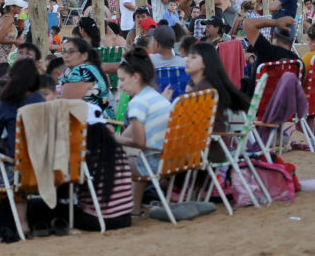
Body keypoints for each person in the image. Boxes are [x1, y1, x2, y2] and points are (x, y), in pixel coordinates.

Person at [113, 48, 172, 212]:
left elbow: (140, 143)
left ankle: (113, 208)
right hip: (171, 159)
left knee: (113, 159)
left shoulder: (137, 103)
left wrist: (116, 139)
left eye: (122, 80)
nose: (120, 85)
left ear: (136, 77)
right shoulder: (155, 96)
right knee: (135, 157)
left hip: (154, 163)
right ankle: (135, 209)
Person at [184, 42, 250, 160]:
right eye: (188, 56)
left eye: (193, 57)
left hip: (200, 155)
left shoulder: (202, 92)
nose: (187, 60)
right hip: (215, 150)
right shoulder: (211, 86)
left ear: (205, 63)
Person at [0, 58, 46, 158]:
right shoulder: (42, 101)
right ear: (36, 78)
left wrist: (4, 152)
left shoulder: (8, 103)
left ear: (11, 77)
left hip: (19, 161)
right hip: (45, 161)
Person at [241, 14, 301, 93]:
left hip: (255, 103)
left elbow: (247, 23)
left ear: (274, 35)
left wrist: (276, 22)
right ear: (293, 40)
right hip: (281, 104)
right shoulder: (298, 63)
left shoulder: (266, 50)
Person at [58, 37, 109, 111]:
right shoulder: (87, 68)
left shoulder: (82, 70)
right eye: (64, 51)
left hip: (90, 120)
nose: (66, 55)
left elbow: (66, 103)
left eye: (71, 51)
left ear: (84, 56)